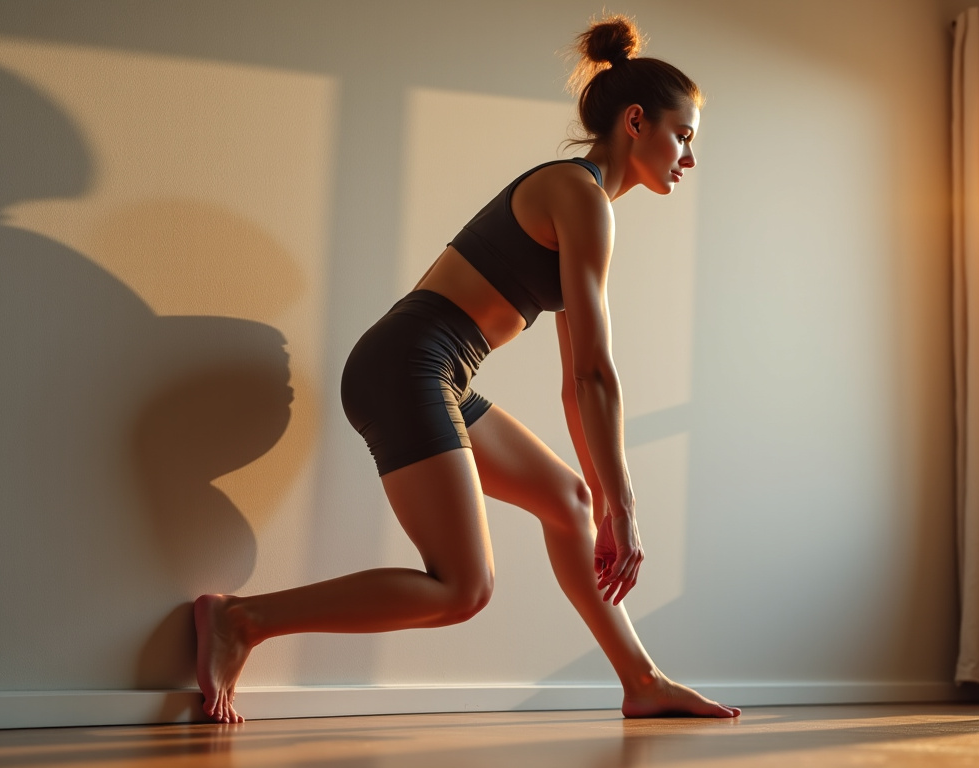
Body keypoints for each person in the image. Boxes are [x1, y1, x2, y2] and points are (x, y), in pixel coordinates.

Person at [194, 14, 739, 725]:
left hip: (434, 371)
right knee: (462, 589)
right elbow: (596, 379)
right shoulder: (578, 194)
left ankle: (641, 680)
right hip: (409, 363)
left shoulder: (584, 204)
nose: (689, 158)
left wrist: (606, 500)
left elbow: (579, 381)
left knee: (570, 503)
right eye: (683, 135)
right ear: (636, 121)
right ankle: (242, 620)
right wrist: (628, 511)